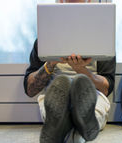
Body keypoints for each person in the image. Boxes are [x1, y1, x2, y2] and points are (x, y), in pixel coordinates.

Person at [23, 1, 116, 143]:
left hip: (90, 96)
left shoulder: (101, 38)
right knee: (55, 108)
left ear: (89, 2)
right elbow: (30, 89)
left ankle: (67, 124)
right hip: (56, 96)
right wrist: (51, 62)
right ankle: (79, 126)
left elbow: (106, 88)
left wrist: (82, 70)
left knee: (93, 105)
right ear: (59, 2)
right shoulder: (45, 39)